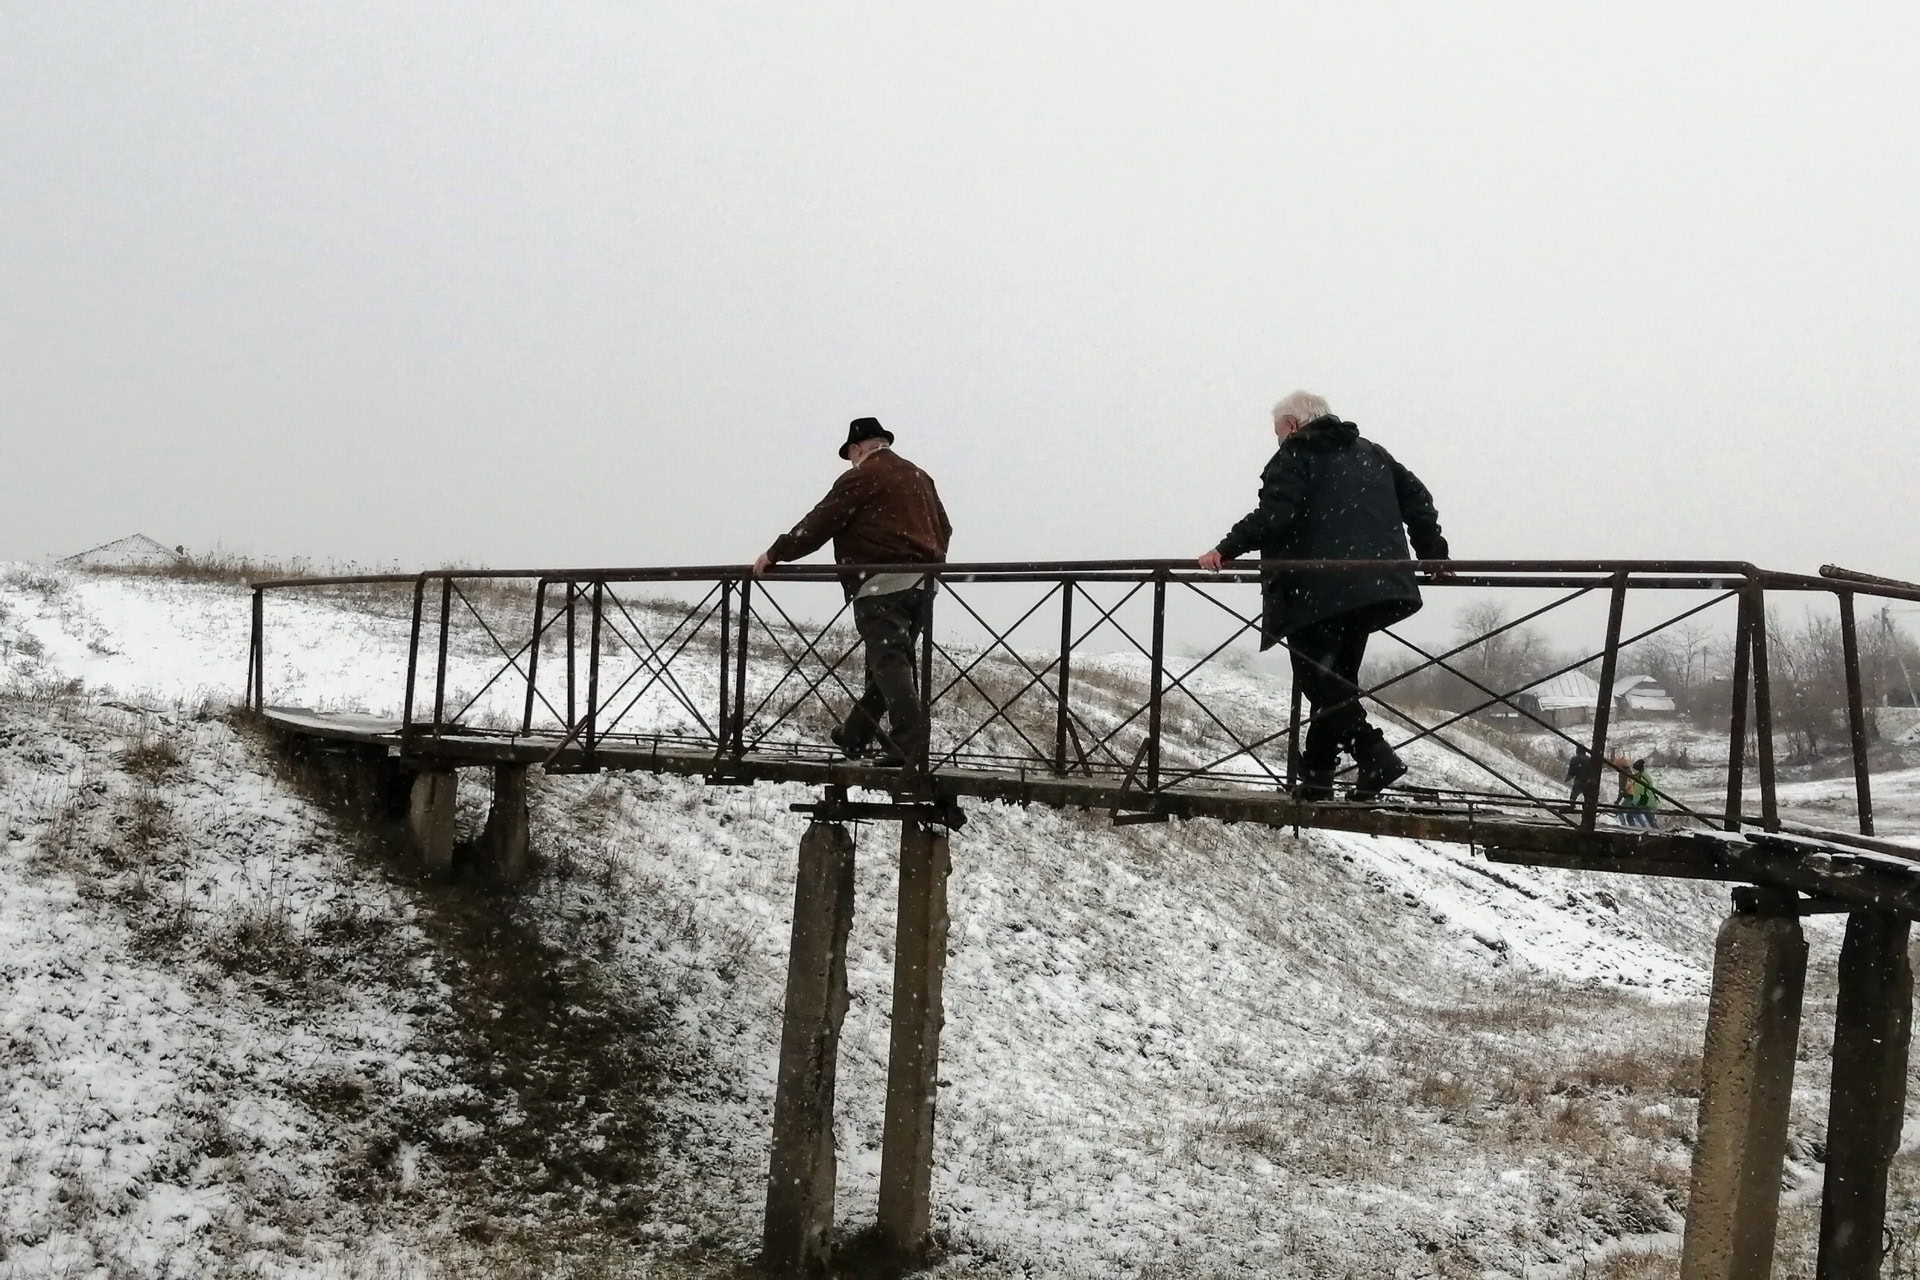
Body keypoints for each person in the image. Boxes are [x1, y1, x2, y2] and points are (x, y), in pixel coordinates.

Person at [1197, 391, 1448, 801]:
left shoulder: (1296, 455)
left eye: (1278, 431)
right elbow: (1417, 499)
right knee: (1335, 681)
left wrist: (1225, 549)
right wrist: (1433, 554)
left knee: (1321, 681)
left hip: (1315, 589)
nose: (1277, 439)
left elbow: (1276, 515)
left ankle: (1373, 753)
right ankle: (1317, 775)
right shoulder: (1372, 453)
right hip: (1373, 587)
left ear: (1293, 424)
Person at [753, 417, 952, 769]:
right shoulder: (919, 476)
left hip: (880, 584)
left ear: (858, 449)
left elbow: (820, 521)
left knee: (889, 662)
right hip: (924, 584)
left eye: (850, 456)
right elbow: (945, 527)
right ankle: (855, 735)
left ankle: (909, 745)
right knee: (891, 663)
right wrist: (929, 562)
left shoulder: (864, 475)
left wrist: (776, 553)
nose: (851, 462)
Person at [1628, 758, 1658, 828]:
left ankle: (1636, 829)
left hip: (1646, 802)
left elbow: (1638, 791)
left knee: (1629, 815)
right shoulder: (1646, 776)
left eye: (1634, 771)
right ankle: (1653, 829)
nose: (1634, 772)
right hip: (1651, 800)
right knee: (1652, 821)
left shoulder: (1641, 779)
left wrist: (1633, 803)